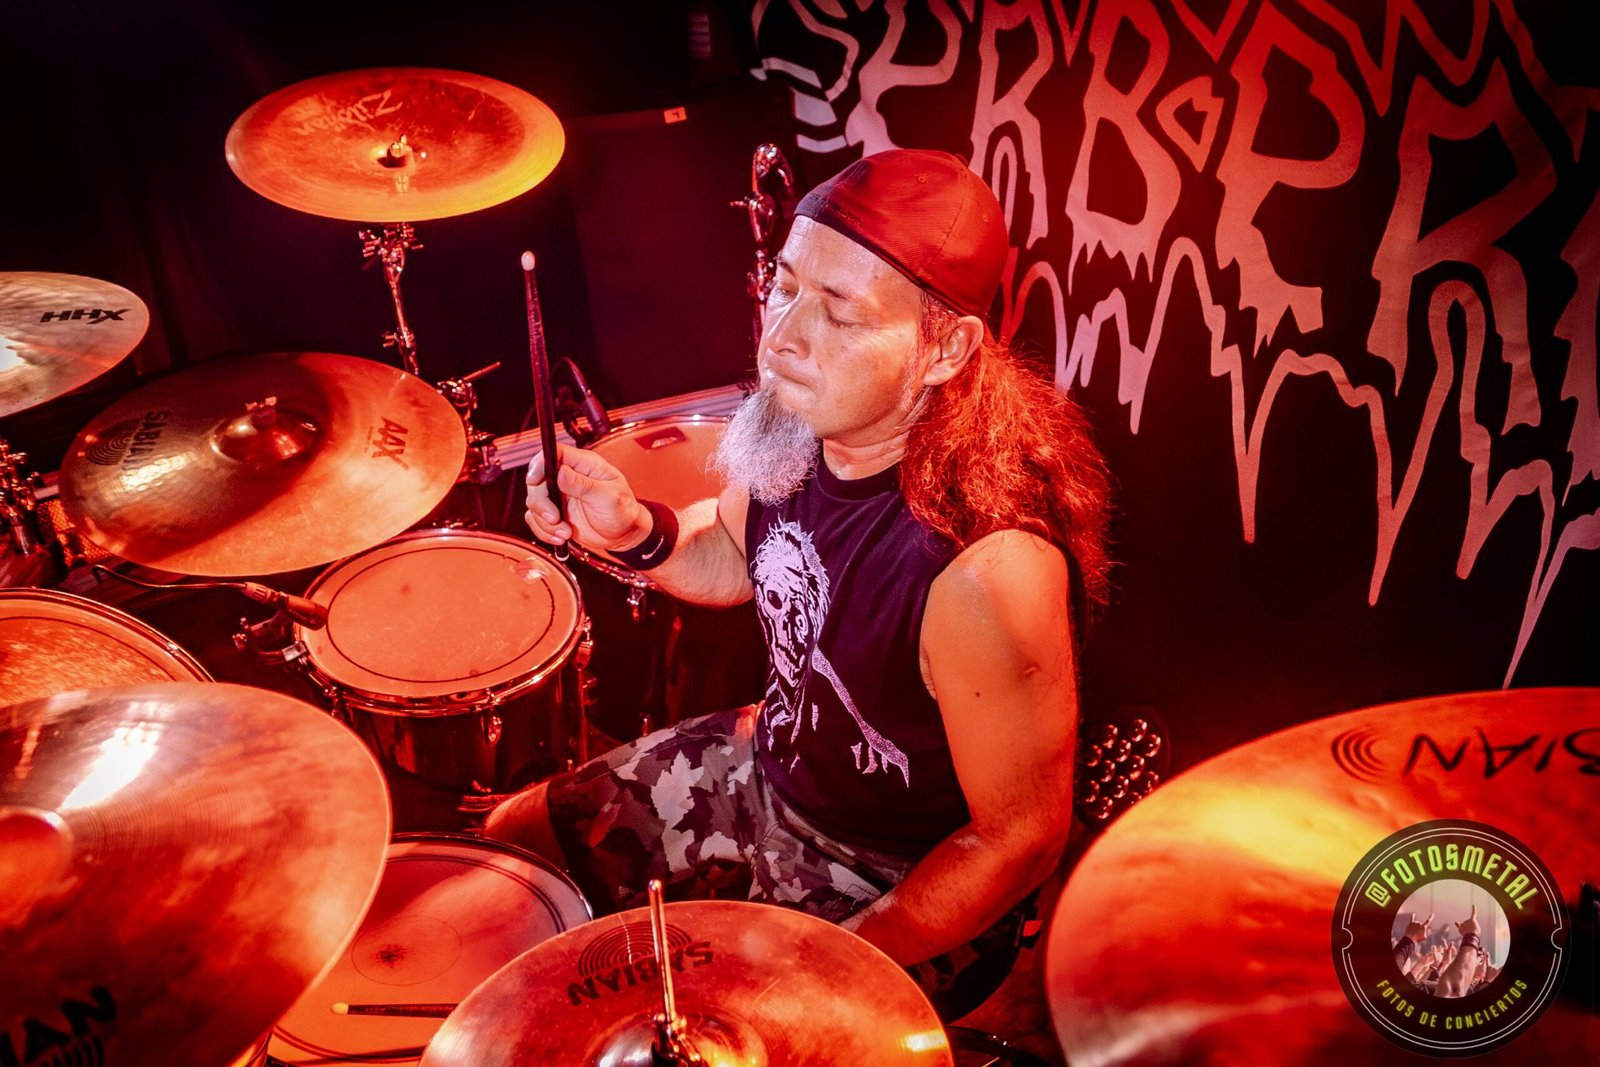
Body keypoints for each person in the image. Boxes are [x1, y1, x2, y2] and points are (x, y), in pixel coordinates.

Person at [488, 148, 1112, 1012]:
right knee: (512, 852)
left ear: (946, 349)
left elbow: (1019, 839)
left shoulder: (988, 570)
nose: (782, 336)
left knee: (726, 1025)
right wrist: (637, 532)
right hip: (771, 764)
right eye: (784, 287)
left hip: (894, 873)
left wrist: (838, 957)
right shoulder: (803, 420)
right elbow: (735, 551)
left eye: (840, 314)